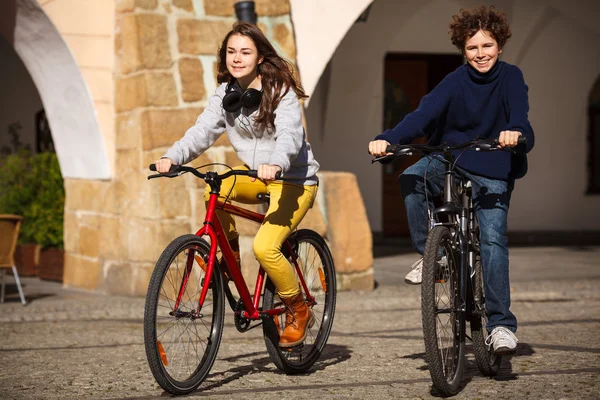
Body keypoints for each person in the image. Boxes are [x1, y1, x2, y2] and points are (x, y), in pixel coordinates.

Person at [368, 5, 534, 354]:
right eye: (472, 48)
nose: (480, 54)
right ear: (463, 50)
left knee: (491, 239)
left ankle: (501, 325)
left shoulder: (511, 77)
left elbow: (521, 119)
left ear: (499, 45)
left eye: (487, 46)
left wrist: (514, 134)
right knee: (411, 177)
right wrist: (390, 138)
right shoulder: (454, 81)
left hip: (493, 164)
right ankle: (433, 256)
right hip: (452, 158)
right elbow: (422, 115)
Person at [154, 22, 320, 348]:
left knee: (265, 247)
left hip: (293, 179)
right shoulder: (227, 95)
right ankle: (227, 263)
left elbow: (290, 134)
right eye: (231, 52)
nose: (237, 58)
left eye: (245, 52)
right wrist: (172, 157)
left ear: (259, 57)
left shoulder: (279, 91)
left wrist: (277, 163)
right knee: (215, 190)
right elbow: (201, 131)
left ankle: (299, 309)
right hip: (256, 176)